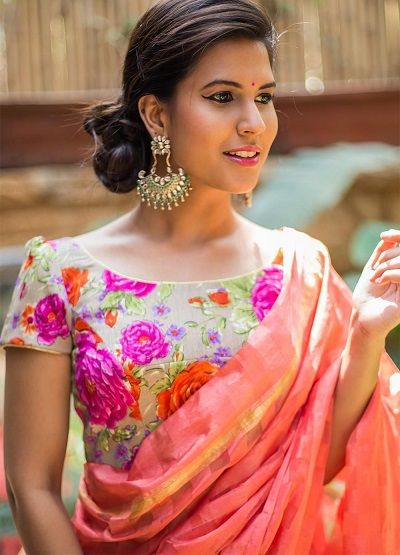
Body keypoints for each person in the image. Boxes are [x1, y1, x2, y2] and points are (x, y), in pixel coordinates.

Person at [1, 0, 399, 553]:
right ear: (157, 115)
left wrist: (365, 335)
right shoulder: (61, 273)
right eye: (222, 97)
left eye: (264, 97)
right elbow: (32, 486)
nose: (253, 123)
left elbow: (313, 462)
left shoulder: (298, 270)